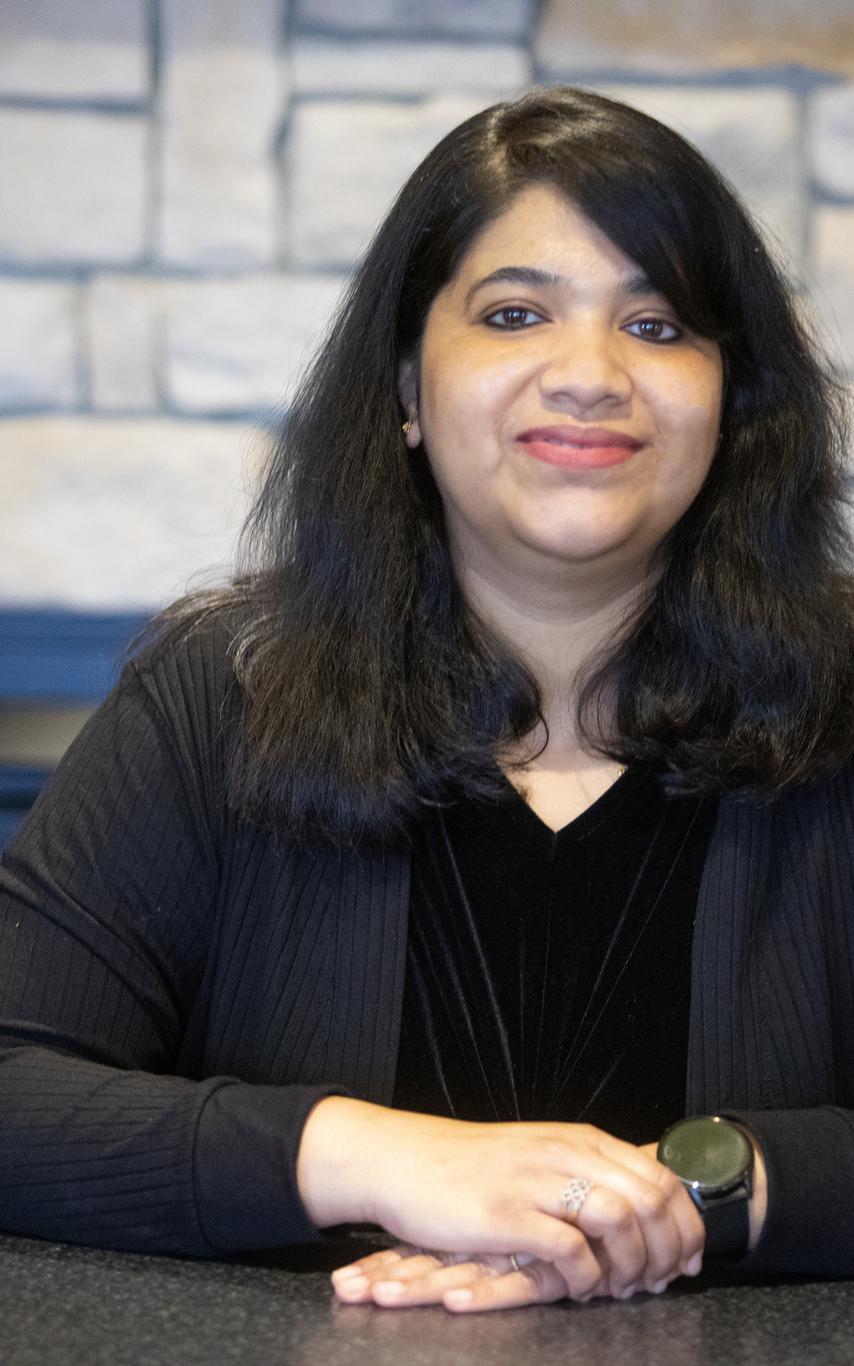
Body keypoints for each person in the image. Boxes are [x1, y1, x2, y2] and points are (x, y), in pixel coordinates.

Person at [1, 85, 853, 1314]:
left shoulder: (839, 703)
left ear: (731, 402)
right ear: (406, 386)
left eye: (658, 326)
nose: (588, 375)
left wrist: (697, 1193)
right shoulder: (218, 695)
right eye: (515, 315)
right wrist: (375, 1156)